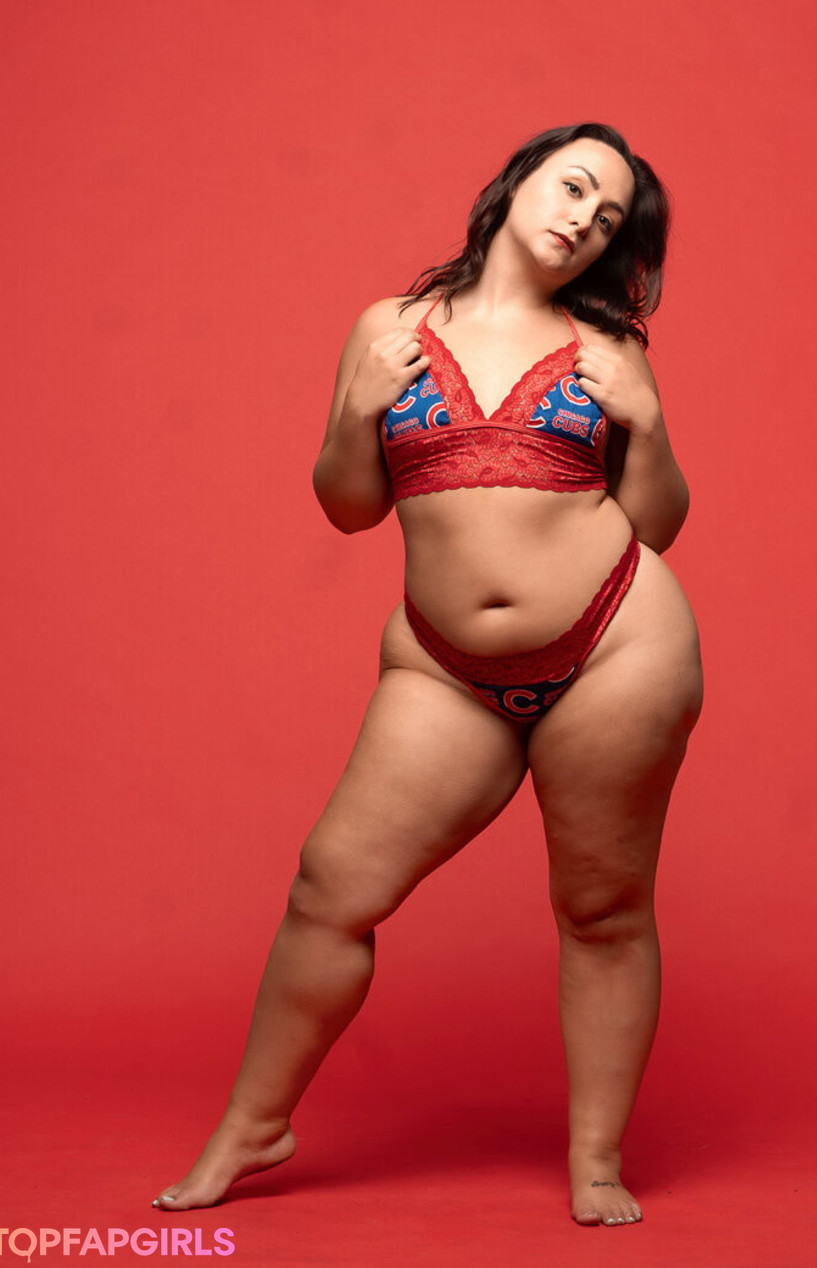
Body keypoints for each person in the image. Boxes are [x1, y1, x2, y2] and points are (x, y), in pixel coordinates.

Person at [152, 122, 702, 1228]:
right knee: (330, 888)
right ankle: (253, 1125)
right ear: (517, 182)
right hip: (445, 669)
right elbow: (348, 506)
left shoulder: (609, 351)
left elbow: (658, 524)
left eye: (607, 219)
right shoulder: (389, 328)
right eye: (572, 188)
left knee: (602, 908)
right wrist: (359, 409)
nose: (583, 221)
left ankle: (596, 1158)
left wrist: (648, 426)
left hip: (616, 645)